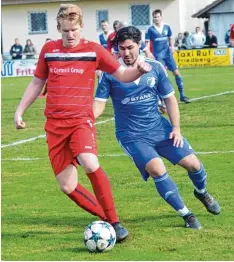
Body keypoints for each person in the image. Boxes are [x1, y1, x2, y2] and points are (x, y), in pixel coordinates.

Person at [14, 4, 151, 242]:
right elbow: (37, 82)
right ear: (59, 28)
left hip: (80, 121)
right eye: (65, 30)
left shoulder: (94, 51)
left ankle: (115, 221)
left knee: (89, 161)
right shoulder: (48, 50)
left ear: (81, 27)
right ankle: (107, 222)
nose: (70, 35)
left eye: (74, 29)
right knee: (67, 186)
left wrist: (139, 70)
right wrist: (19, 110)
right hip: (54, 126)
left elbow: (122, 74)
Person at [93, 26, 221, 230]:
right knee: (157, 169)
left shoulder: (155, 67)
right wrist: (87, 118)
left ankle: (201, 191)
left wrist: (176, 128)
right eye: (121, 48)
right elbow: (99, 103)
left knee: (194, 165)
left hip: (160, 129)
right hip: (132, 135)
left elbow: (170, 100)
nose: (125, 53)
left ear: (140, 45)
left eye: (130, 47)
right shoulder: (110, 74)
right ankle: (187, 214)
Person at [145, 9, 190, 104]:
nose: (156, 19)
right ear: (153, 18)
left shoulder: (167, 27)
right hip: (158, 56)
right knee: (162, 77)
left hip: (168, 54)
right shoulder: (150, 29)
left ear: (161, 17)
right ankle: (163, 98)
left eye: (158, 17)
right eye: (154, 17)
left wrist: (172, 46)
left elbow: (171, 38)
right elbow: (147, 43)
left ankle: (182, 95)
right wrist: (148, 53)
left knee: (177, 73)